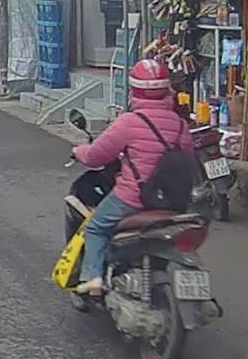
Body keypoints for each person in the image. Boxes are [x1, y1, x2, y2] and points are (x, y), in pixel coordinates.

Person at [71, 58, 194, 299]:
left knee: (95, 228)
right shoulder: (180, 125)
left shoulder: (129, 122)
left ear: (135, 90)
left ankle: (92, 279)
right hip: (173, 202)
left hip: (133, 199)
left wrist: (78, 152)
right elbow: (189, 158)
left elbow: (96, 156)